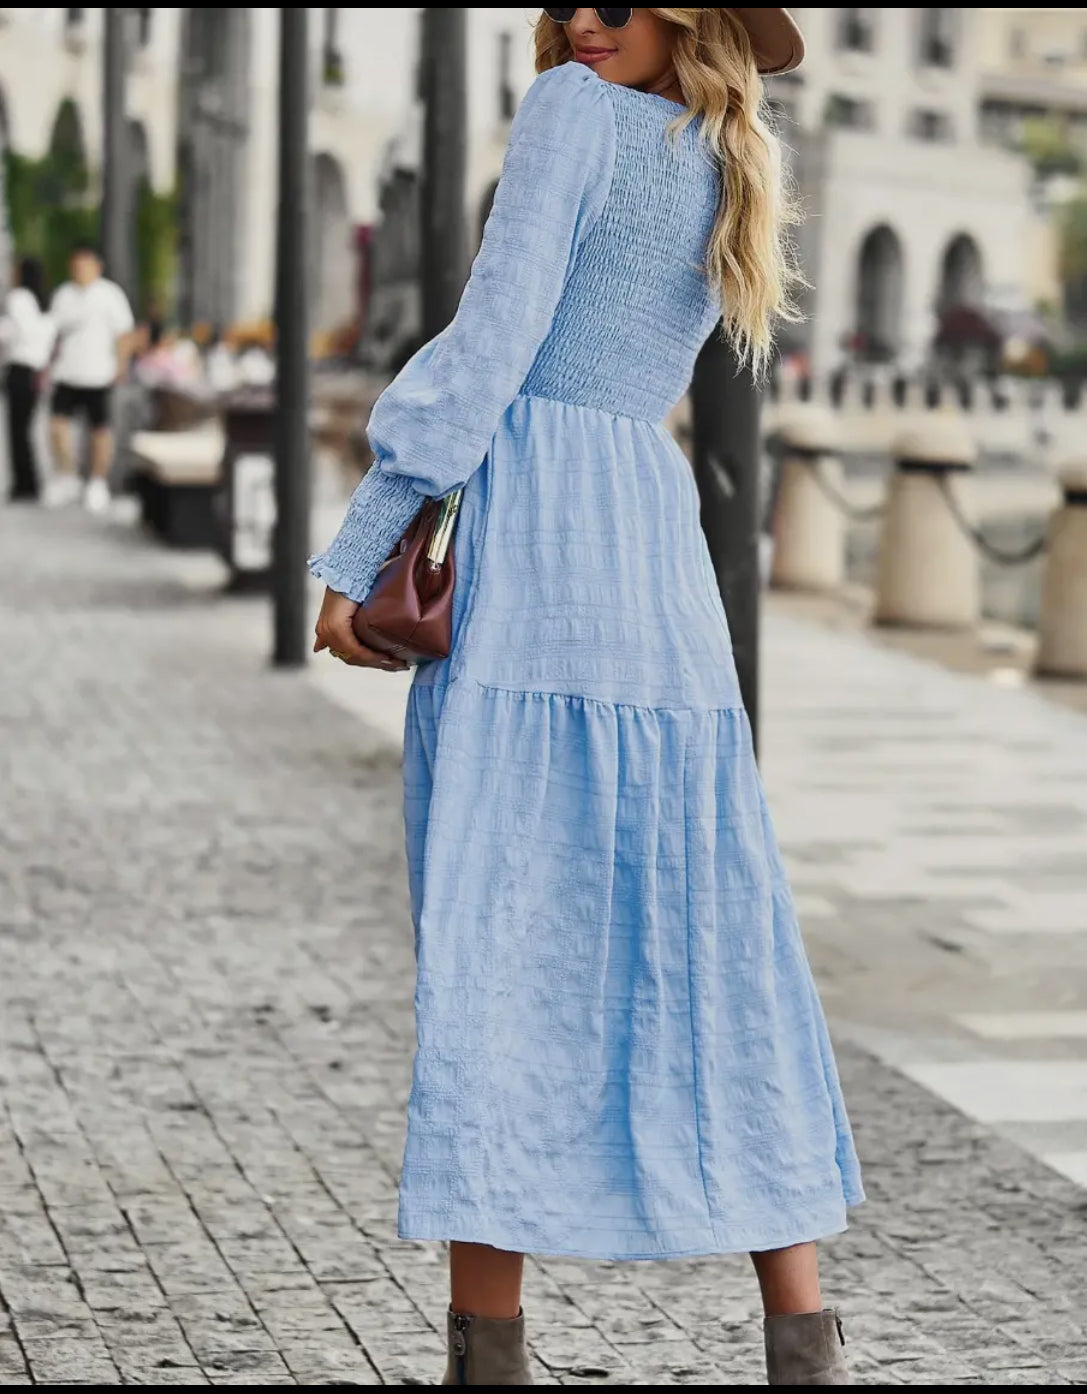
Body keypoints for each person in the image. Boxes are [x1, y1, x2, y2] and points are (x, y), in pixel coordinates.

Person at [310, 10, 861, 1387]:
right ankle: (804, 1345)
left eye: (613, 0)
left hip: (537, 557)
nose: (579, 23)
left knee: (500, 936)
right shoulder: (730, 151)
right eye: (566, 0)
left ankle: (483, 1359)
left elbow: (489, 345)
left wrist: (363, 538)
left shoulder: (568, 116)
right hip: (653, 565)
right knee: (710, 932)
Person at [46, 240, 136, 512]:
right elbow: (53, 332)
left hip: (98, 373)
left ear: (97, 266)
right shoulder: (63, 295)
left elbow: (125, 333)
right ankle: (67, 476)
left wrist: (121, 365)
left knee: (100, 429)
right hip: (67, 372)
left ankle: (97, 482)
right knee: (57, 425)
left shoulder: (110, 295)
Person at [1, 257, 54, 502]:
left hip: (20, 368)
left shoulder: (19, 298)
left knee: (17, 430)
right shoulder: (43, 301)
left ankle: (24, 484)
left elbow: (16, 332)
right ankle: (30, 481)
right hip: (37, 369)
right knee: (26, 429)